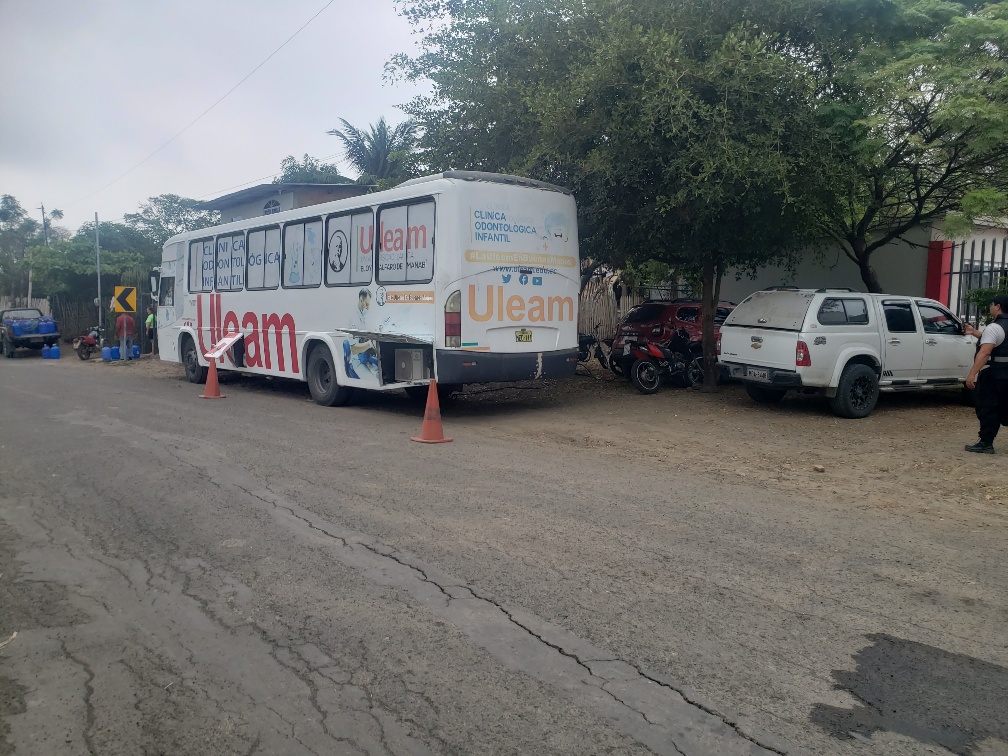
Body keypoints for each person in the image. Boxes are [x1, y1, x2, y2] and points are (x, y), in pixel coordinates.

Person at [962, 294, 1008, 453]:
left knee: (988, 407)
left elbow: (985, 352)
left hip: (995, 374)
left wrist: (972, 374)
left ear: (998, 306)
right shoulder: (998, 328)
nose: (990, 307)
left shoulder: (994, 327)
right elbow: (1001, 341)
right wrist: (975, 332)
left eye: (992, 304)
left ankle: (986, 443)